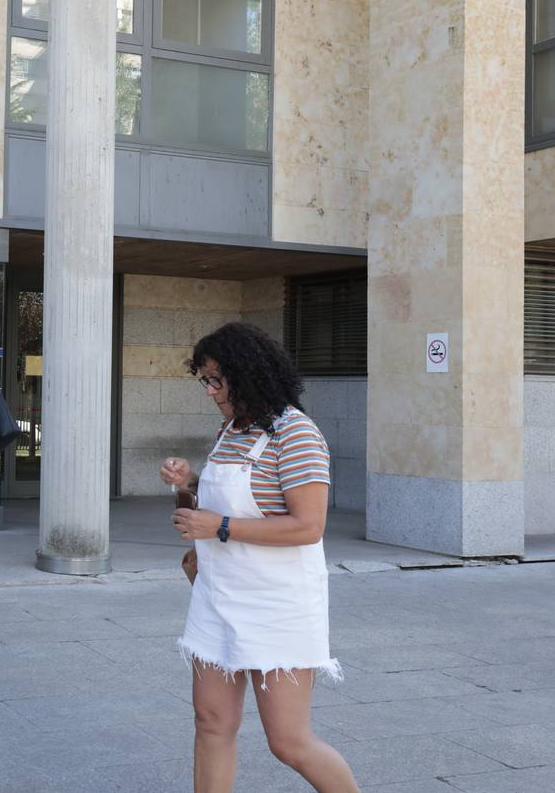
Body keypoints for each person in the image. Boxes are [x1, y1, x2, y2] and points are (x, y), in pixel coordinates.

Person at [160, 322, 359, 793]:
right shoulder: (230, 430)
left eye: (215, 380)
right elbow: (210, 513)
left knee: (289, 742)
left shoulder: (297, 434)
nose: (209, 391)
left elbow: (308, 527)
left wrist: (221, 527)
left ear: (247, 375)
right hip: (218, 596)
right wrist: (187, 485)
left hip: (279, 606)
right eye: (204, 380)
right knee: (211, 723)